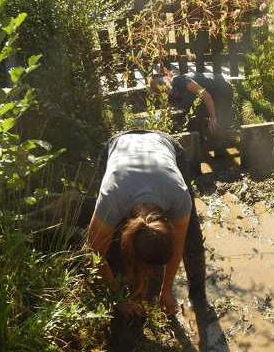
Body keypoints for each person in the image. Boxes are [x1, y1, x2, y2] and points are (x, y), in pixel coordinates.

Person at [87, 130, 207, 326]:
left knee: (191, 237)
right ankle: (128, 290)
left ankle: (199, 297)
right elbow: (94, 253)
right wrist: (118, 299)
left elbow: (178, 247)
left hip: (165, 146)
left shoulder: (178, 196)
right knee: (113, 247)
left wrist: (166, 289)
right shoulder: (112, 199)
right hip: (117, 146)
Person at [150, 71, 234, 153]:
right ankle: (203, 149)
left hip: (221, 90)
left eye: (161, 82)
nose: (163, 87)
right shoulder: (170, 97)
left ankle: (225, 145)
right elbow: (168, 115)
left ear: (166, 77)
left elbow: (206, 96)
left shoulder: (180, 81)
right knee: (195, 123)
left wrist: (213, 117)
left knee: (217, 127)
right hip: (207, 100)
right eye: (158, 89)